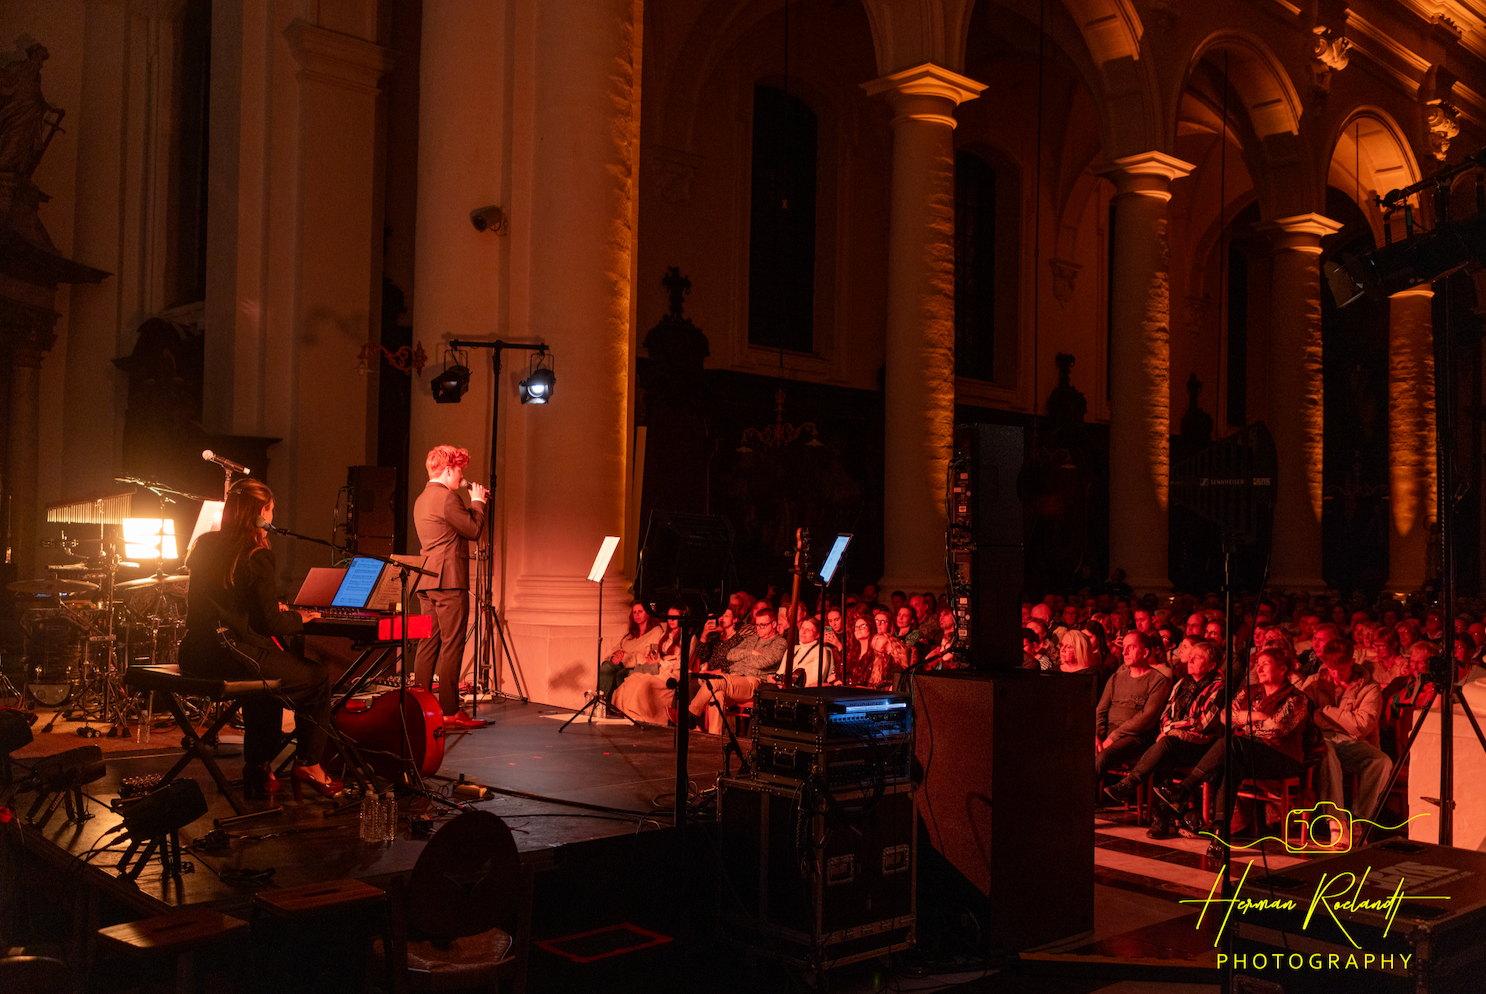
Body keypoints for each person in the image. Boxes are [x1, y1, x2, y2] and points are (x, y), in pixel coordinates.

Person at [178, 480, 338, 799]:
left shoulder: (206, 545)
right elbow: (269, 623)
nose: (272, 520)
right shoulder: (256, 553)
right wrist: (299, 618)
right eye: (270, 512)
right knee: (317, 678)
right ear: (260, 514)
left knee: (267, 679)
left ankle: (259, 766)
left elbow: (226, 600)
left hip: (195, 653)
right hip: (230, 654)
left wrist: (263, 609)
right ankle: (309, 763)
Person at [1155, 647, 1309, 858]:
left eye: (1265, 664)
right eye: (1258, 663)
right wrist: (1256, 715)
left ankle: (1185, 788)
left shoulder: (1297, 698)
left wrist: (1244, 720)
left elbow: (1275, 728)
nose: (1258, 667)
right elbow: (1226, 716)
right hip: (1248, 751)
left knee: (1231, 743)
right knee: (1230, 766)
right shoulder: (1250, 690)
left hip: (1281, 757)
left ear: (1282, 669)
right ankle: (1220, 836)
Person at [1104, 641, 1225, 839]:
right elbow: (1166, 714)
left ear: (1211, 666)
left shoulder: (1218, 687)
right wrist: (1169, 728)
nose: (1191, 659)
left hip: (1202, 746)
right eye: (1191, 655)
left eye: (1198, 657)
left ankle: (1130, 785)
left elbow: (1201, 724)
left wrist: (1169, 729)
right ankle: (1159, 821)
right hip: (1175, 742)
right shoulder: (1181, 683)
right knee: (1164, 755)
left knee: (1165, 745)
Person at [412, 444, 489, 729]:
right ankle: (448, 710)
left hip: (428, 579)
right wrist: (478, 502)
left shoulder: (421, 499)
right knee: (452, 644)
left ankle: (418, 706)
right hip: (449, 581)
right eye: (458, 470)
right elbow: (472, 530)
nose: (460, 476)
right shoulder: (447, 498)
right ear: (447, 470)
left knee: (428, 644)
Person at [1301, 636, 1391, 843]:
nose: (1335, 673)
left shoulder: (1369, 687)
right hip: (1320, 739)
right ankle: (1336, 820)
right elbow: (1303, 716)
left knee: (1382, 761)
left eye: (1340, 668)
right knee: (1327, 750)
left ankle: (1359, 819)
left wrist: (1325, 711)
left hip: (1352, 741)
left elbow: (1362, 725)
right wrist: (1341, 720)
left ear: (1352, 661)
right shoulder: (1315, 682)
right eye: (1331, 668)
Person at [685, 602, 786, 734]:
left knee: (716, 680)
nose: (759, 628)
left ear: (773, 624)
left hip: (753, 681)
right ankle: (714, 736)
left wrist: (743, 659)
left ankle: (691, 714)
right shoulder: (753, 639)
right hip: (734, 679)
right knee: (717, 695)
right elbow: (731, 654)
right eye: (757, 625)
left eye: (763, 625)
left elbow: (763, 662)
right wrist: (751, 653)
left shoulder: (780, 642)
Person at [1094, 631, 1172, 778]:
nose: (1125, 652)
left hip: (1135, 736)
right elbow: (1101, 710)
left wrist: (1112, 737)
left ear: (1145, 652)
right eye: (1124, 647)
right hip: (1109, 731)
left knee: (1103, 756)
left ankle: (1082, 799)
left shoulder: (1159, 680)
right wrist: (1097, 735)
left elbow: (1146, 718)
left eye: (1131, 647)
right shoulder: (1116, 678)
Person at [611, 610, 684, 725]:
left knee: (645, 681)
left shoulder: (688, 637)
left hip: (674, 672)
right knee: (632, 679)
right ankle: (628, 714)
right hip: (660, 668)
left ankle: (644, 717)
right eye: (669, 617)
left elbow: (682, 663)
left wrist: (661, 662)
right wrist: (652, 658)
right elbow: (655, 653)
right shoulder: (665, 635)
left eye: (675, 617)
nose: (671, 620)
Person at [598, 600, 662, 711]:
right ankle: (601, 704)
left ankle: (604, 706)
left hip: (637, 667)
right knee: (606, 665)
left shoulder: (656, 631)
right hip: (621, 665)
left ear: (648, 613)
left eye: (640, 612)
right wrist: (615, 656)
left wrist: (627, 657)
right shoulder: (630, 635)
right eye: (634, 612)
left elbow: (652, 657)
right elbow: (617, 648)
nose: (636, 615)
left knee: (619, 674)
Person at [778, 617, 837, 686]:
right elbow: (780, 672)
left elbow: (816, 679)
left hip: (804, 692)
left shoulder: (820, 651)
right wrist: (775, 678)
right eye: (802, 628)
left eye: (808, 630)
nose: (803, 632)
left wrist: (793, 684)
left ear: (817, 635)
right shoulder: (791, 650)